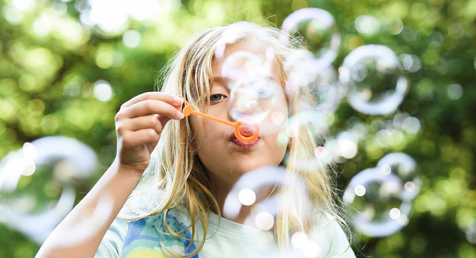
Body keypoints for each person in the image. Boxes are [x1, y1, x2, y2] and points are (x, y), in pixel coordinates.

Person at [36, 22, 356, 258]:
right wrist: (126, 170)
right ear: (186, 125)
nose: (240, 108)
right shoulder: (140, 222)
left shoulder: (318, 236)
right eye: (216, 95)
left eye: (261, 91)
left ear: (293, 121)